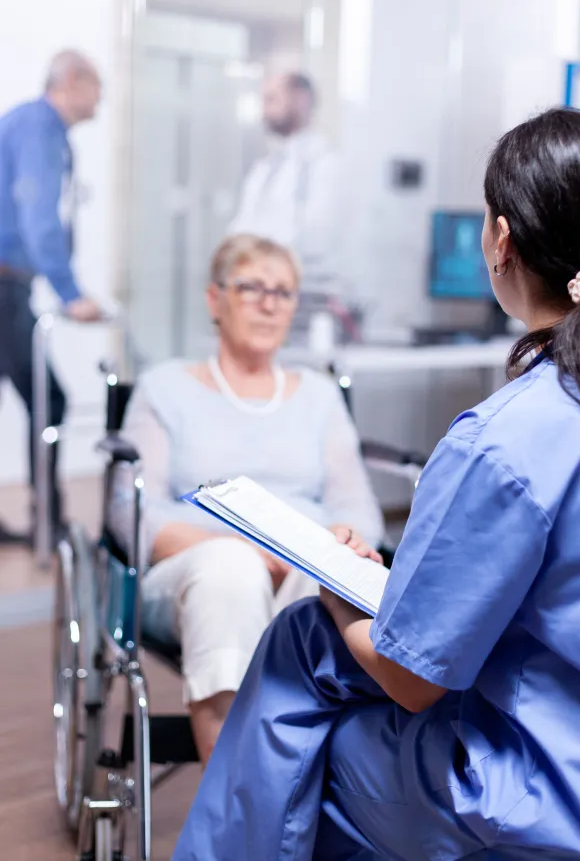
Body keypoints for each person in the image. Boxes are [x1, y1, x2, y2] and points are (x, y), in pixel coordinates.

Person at [172, 108, 580, 861]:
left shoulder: (504, 438)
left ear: (500, 239)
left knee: (305, 657)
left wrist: (334, 585)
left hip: (539, 803)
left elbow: (410, 681)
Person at [111, 234, 383, 763]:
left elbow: (357, 506)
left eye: (282, 292)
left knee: (332, 574)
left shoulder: (318, 395)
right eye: (251, 286)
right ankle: (235, 798)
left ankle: (311, 781)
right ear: (216, 299)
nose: (267, 302)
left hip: (302, 567)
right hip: (192, 570)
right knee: (229, 568)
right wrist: (245, 549)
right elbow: (131, 513)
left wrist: (344, 540)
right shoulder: (164, 388)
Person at [0, 50, 102, 544]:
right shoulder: (38, 127)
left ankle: (45, 516)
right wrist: (70, 292)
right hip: (3, 285)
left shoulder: (34, 126)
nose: (100, 98)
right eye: (96, 86)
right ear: (72, 81)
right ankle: (49, 521)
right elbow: (38, 216)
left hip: (11, 284)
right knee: (51, 399)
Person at [228, 73, 341, 295]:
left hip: (302, 294)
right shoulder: (264, 169)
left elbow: (313, 238)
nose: (264, 112)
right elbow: (240, 229)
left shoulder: (326, 167)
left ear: (301, 100)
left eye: (272, 100)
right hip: (257, 290)